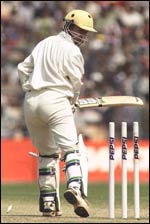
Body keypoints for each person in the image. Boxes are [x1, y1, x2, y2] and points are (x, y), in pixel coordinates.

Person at [17, 9, 97, 217]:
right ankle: (75, 188)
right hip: (57, 99)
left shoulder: (44, 43)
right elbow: (76, 82)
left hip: (31, 101)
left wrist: (30, 87)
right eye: (81, 30)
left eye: (86, 32)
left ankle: (48, 202)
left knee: (46, 154)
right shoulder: (73, 51)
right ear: (68, 26)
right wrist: (72, 100)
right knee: (71, 149)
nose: (83, 35)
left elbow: (23, 68)